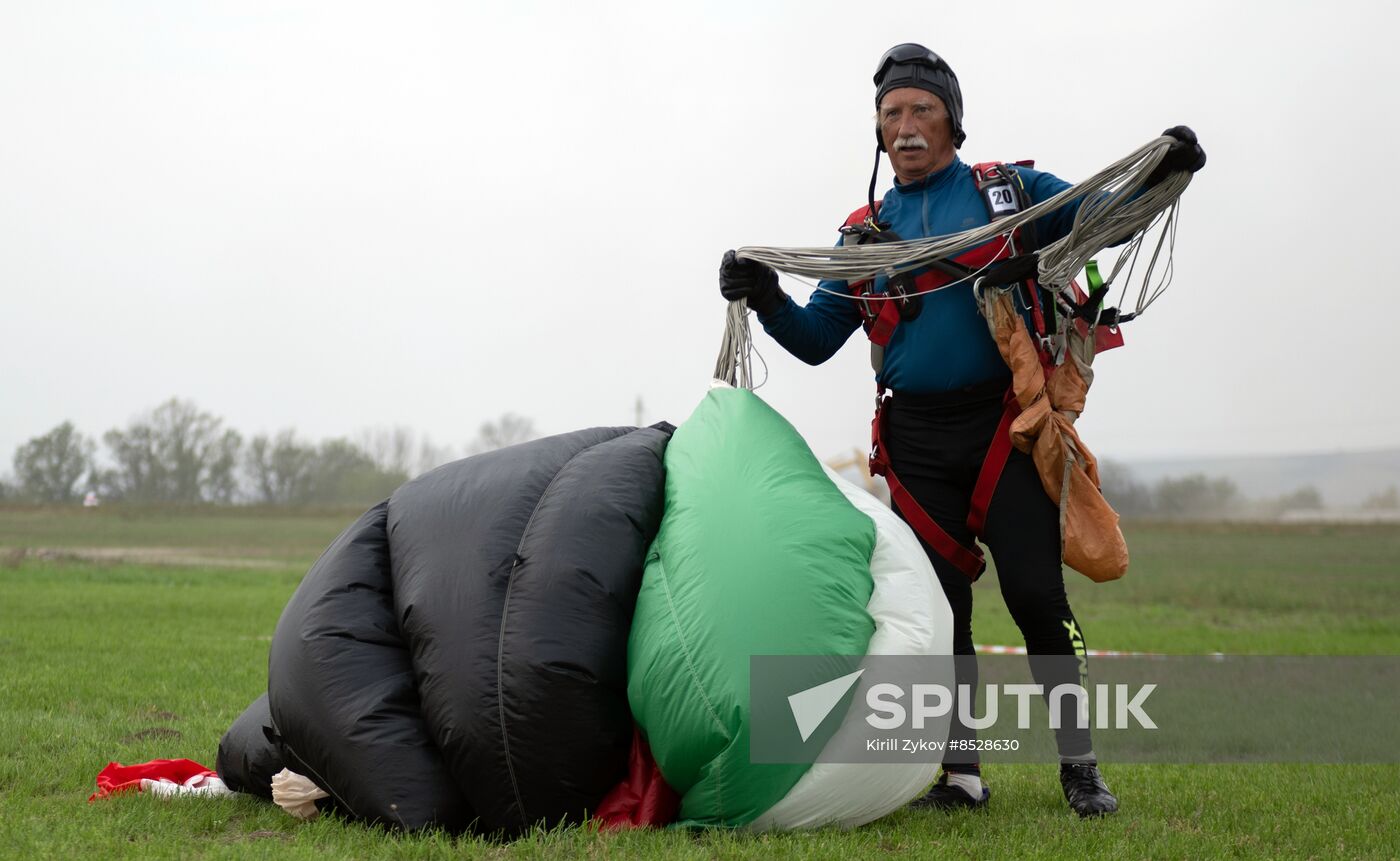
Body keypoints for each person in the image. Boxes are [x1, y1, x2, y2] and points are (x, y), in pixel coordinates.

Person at [718, 43, 1205, 818]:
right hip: (914, 444)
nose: (905, 128)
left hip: (1003, 430)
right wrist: (768, 294)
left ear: (952, 121)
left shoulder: (1009, 197)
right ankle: (962, 773)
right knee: (940, 613)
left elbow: (1099, 217)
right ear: (877, 133)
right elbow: (815, 340)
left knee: (1038, 597)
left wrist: (1161, 172)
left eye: (921, 111)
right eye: (891, 116)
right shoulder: (865, 235)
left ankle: (1080, 769)